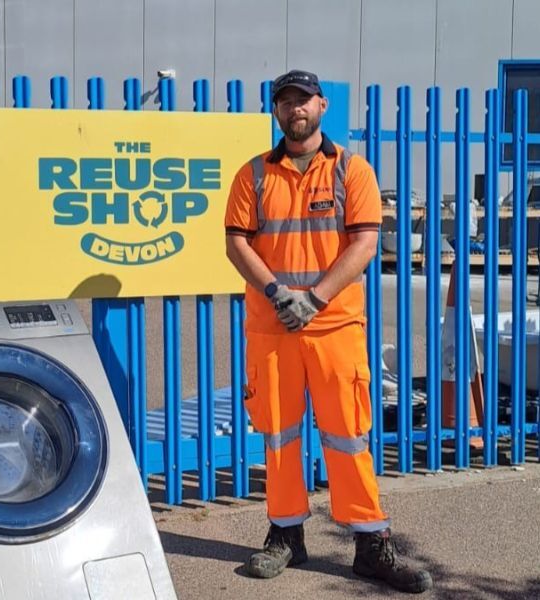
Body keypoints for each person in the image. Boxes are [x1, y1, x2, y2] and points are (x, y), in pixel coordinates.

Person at [223, 69, 432, 594]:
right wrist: (278, 294)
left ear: (321, 106)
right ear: (276, 111)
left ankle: (370, 544)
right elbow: (237, 244)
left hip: (334, 325)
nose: (294, 108)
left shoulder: (351, 171)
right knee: (279, 436)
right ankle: (285, 536)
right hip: (273, 328)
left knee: (348, 438)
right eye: (284, 101)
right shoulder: (252, 175)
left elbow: (362, 245)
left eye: (303, 100)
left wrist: (313, 300)